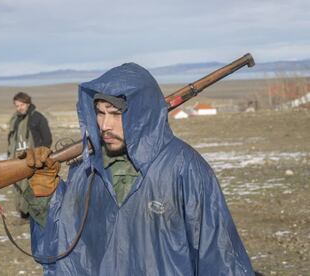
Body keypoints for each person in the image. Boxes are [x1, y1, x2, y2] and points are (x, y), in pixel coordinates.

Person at [24, 63, 254, 275]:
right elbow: (59, 251)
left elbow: (219, 256)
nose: (105, 125)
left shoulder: (184, 168)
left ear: (142, 115)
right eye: (100, 112)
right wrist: (44, 196)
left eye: (116, 113)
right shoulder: (86, 171)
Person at [7, 92, 52, 222]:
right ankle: (23, 214)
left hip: (33, 159)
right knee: (17, 186)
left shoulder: (38, 118)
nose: (19, 108)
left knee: (31, 187)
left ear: (28, 103)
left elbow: (47, 139)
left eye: (21, 105)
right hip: (17, 159)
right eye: (17, 105)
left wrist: (41, 157)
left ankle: (32, 215)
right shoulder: (15, 120)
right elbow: (11, 141)